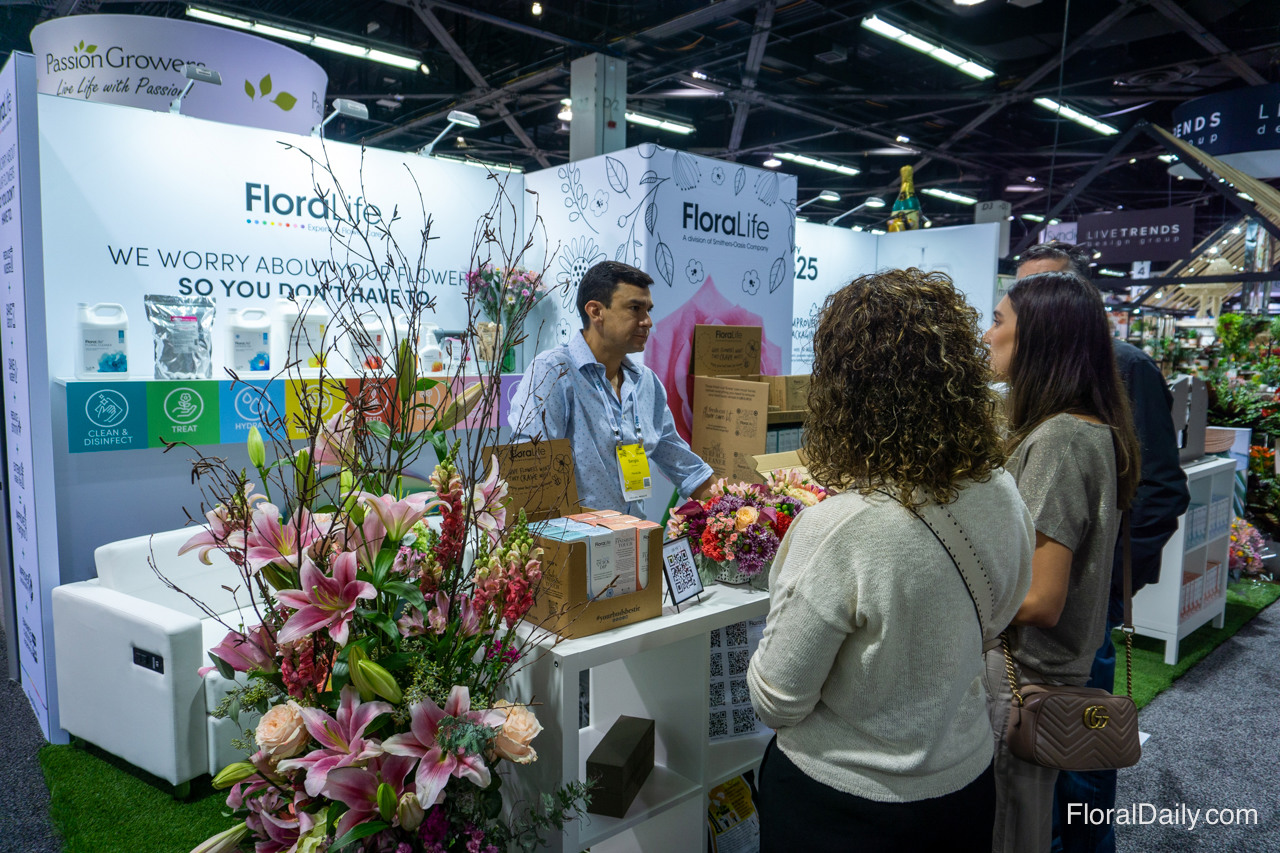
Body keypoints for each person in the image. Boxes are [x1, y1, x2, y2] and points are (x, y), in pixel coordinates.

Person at [747, 269, 1035, 853]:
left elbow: (777, 699)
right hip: (965, 786)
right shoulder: (1002, 493)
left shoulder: (842, 526)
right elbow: (999, 616)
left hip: (843, 804)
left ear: (844, 391)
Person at [1016, 242, 1190, 853]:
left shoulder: (1122, 372)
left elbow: (1162, 490)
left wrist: (1104, 584)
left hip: (1076, 613)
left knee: (1080, 764)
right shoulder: (1052, 400)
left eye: (1035, 297)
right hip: (1062, 608)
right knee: (1048, 761)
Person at [981, 271, 1143, 853]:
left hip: (1023, 678)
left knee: (1011, 831)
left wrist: (955, 594)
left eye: (998, 321)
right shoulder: (1084, 428)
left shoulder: (1061, 439)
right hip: (1036, 676)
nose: (987, 335)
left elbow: (1041, 600)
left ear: (1038, 338)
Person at [507, 260, 714, 516]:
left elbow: (684, 465)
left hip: (633, 536)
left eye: (648, 310)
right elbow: (529, 469)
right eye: (635, 308)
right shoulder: (553, 372)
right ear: (596, 311)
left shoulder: (646, 382)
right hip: (575, 537)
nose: (647, 321)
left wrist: (735, 511)